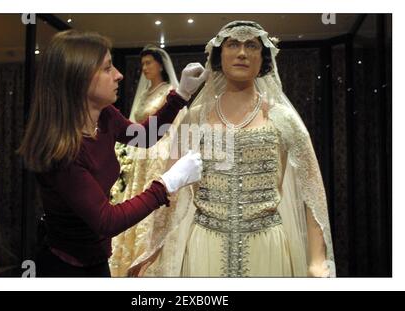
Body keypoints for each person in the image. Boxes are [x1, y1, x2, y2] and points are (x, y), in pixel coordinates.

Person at [129, 21, 336, 277]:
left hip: (267, 246)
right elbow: (170, 187)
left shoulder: (283, 118)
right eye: (233, 44)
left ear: (263, 59)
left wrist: (317, 258)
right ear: (218, 55)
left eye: (251, 46)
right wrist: (152, 248)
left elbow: (312, 190)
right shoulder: (195, 118)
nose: (242, 53)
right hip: (205, 245)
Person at [17, 30, 207, 277]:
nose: (119, 75)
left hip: (94, 257)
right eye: (107, 68)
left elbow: (144, 136)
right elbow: (107, 221)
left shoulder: (105, 116)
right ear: (79, 78)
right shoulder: (63, 151)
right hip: (67, 267)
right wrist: (168, 182)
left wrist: (180, 95)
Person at [110, 45, 186, 276]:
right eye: (142, 64)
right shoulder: (145, 95)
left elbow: (177, 125)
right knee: (134, 198)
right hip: (141, 151)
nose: (144, 68)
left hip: (159, 151)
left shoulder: (170, 91)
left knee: (154, 199)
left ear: (160, 65)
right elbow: (135, 125)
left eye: (149, 63)